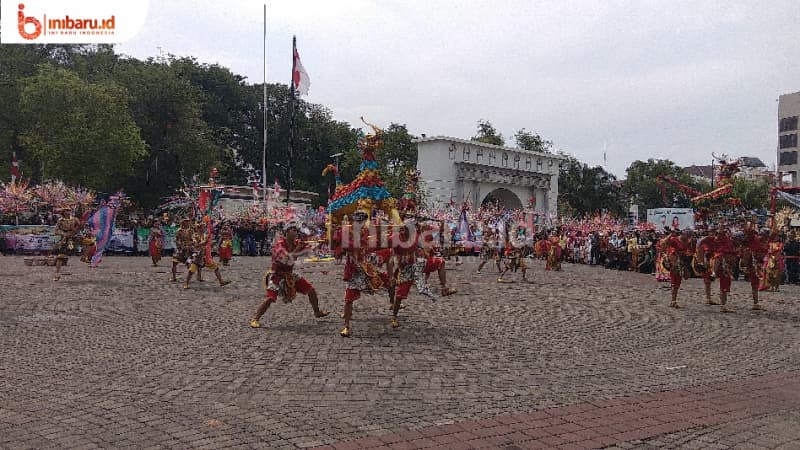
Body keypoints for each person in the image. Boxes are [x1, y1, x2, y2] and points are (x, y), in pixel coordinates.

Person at [249, 221, 329, 329]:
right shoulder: (280, 244)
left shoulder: (296, 242)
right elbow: (287, 259)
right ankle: (255, 319)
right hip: (277, 275)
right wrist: (298, 248)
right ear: (287, 231)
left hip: (289, 274)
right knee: (270, 298)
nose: (296, 232)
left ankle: (317, 312)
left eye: (296, 230)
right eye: (293, 230)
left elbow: (311, 247)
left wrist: (322, 242)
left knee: (311, 290)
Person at [183, 222, 231, 289]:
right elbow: (197, 244)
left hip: (206, 256)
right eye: (203, 227)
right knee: (191, 271)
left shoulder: (205, 235)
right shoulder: (195, 236)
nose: (204, 228)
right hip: (198, 256)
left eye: (204, 227)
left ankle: (221, 281)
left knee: (216, 268)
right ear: (199, 228)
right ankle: (186, 283)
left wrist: (213, 242)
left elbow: (207, 243)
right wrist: (204, 242)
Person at [52, 209, 81, 281]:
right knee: (60, 256)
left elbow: (80, 228)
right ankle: (57, 273)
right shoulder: (60, 220)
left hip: (74, 238)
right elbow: (56, 231)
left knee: (91, 243)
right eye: (66, 210)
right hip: (65, 239)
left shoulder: (75, 219)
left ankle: (89, 258)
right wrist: (64, 234)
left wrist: (74, 230)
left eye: (69, 210)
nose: (68, 211)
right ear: (63, 212)